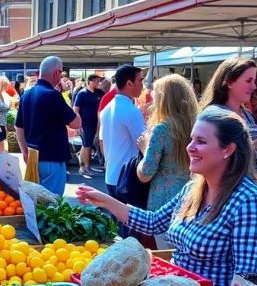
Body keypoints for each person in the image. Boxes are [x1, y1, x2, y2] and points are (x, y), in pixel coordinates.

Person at [78, 109, 257, 286]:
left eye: (201, 141)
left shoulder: (251, 202)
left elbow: (245, 281)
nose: (190, 147)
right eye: (191, 139)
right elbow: (153, 222)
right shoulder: (193, 189)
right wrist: (105, 201)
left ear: (228, 150)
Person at [15, 56, 81, 195]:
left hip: (33, 156)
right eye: (61, 73)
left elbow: (18, 127)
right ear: (56, 73)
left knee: (35, 203)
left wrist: (24, 151)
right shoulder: (53, 95)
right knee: (52, 204)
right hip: (52, 157)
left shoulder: (26, 94)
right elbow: (76, 123)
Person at [137, 74, 199, 212]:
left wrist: (145, 148)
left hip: (163, 203)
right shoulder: (199, 124)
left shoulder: (162, 129)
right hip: (193, 197)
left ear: (162, 100)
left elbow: (145, 174)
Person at [201, 57, 257, 154]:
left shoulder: (246, 115)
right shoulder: (216, 116)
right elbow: (232, 156)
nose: (254, 87)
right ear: (229, 82)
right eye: (248, 81)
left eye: (254, 81)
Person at [98, 65, 147, 195]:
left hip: (112, 176)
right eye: (140, 80)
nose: (143, 84)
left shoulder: (107, 108)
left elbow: (101, 141)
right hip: (127, 178)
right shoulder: (131, 110)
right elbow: (144, 145)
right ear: (129, 83)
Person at [73, 74, 104, 177]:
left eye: (99, 80)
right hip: (85, 124)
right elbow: (76, 110)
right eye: (96, 80)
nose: (98, 82)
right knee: (87, 145)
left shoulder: (100, 92)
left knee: (87, 145)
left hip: (97, 123)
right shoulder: (82, 94)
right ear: (89, 81)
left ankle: (85, 165)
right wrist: (79, 124)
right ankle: (85, 167)